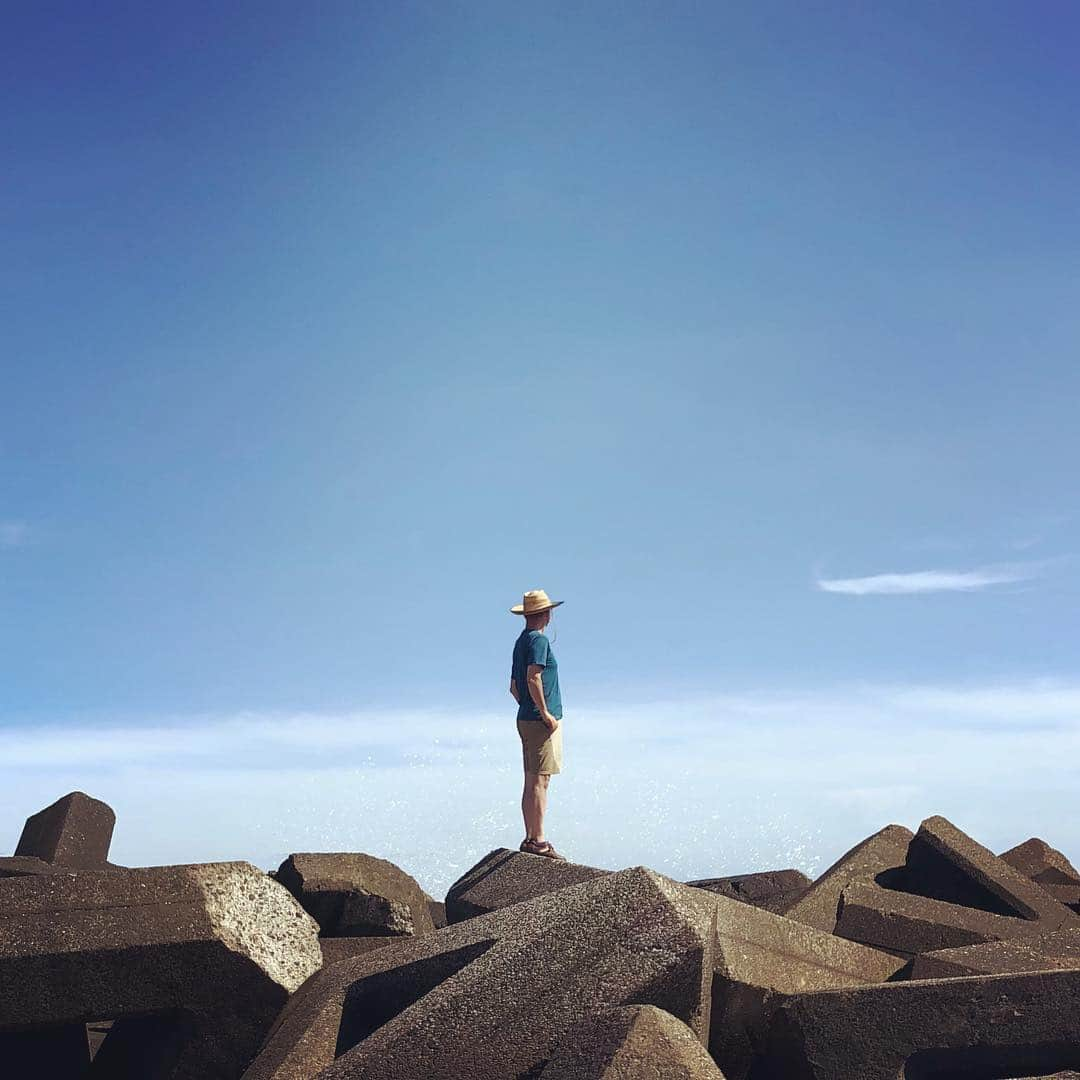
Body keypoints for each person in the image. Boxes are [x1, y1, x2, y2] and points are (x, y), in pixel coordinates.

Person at [509, 589, 565, 859]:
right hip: (539, 721)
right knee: (541, 780)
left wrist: (527, 707)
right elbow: (533, 678)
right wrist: (545, 713)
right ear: (546, 614)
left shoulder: (521, 641)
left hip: (525, 717)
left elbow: (513, 687)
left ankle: (531, 836)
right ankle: (538, 840)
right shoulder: (538, 641)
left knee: (532, 778)